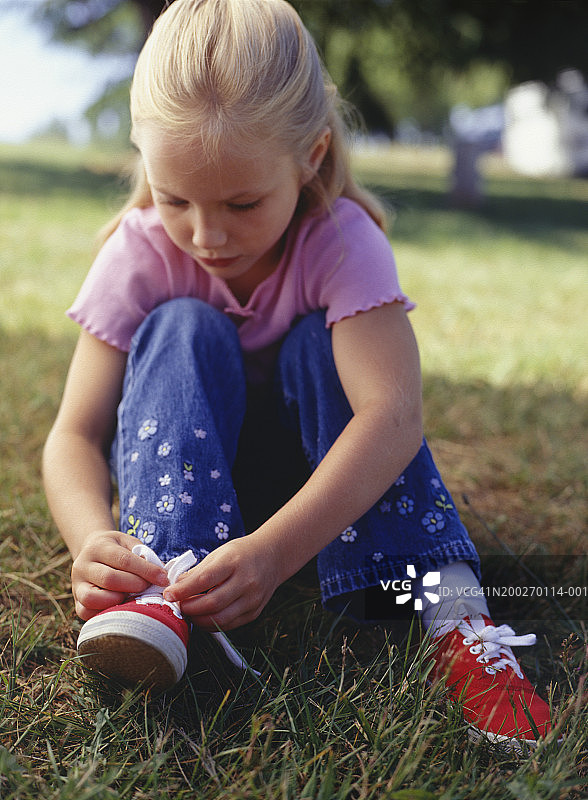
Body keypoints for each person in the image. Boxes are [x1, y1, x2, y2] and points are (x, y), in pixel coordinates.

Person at [43, 0, 555, 750]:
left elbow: (393, 417)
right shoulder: (139, 251)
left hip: (328, 497)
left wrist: (278, 552)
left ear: (311, 156)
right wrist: (91, 540)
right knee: (182, 324)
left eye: (243, 202)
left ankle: (456, 617)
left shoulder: (341, 242)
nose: (206, 235)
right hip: (192, 495)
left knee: (320, 344)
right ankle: (161, 591)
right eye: (177, 197)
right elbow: (73, 436)